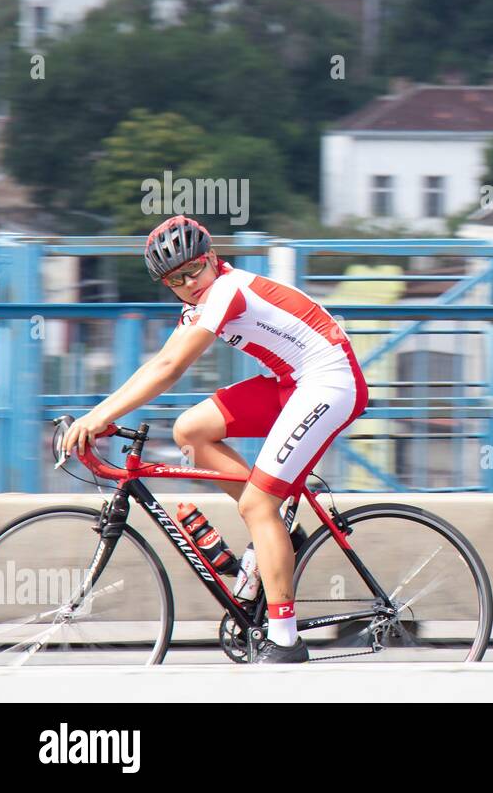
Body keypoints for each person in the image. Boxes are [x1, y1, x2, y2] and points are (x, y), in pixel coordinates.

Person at [62, 215, 368, 664]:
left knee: (257, 505)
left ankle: (285, 640)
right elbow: (158, 362)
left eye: (193, 270)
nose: (188, 283)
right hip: (288, 381)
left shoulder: (225, 290)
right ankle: (275, 527)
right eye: (175, 280)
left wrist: (98, 415)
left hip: (329, 382)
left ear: (212, 260)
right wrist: (103, 414)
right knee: (191, 430)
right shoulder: (197, 304)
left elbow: (170, 370)